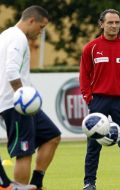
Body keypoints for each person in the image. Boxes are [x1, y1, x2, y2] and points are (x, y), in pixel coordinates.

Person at [79, 9, 120, 190]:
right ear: (102, 24)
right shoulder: (90, 48)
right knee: (93, 144)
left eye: (117, 23)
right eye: (110, 23)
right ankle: (89, 183)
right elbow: (84, 75)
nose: (114, 26)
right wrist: (89, 99)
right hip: (98, 101)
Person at [0, 6, 61, 190]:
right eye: (41, 27)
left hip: (21, 103)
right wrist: (22, 97)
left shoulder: (6, 35)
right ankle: (19, 188)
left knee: (52, 136)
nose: (41, 32)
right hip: (16, 104)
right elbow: (11, 70)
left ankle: (36, 183)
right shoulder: (18, 38)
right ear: (31, 21)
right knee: (24, 152)